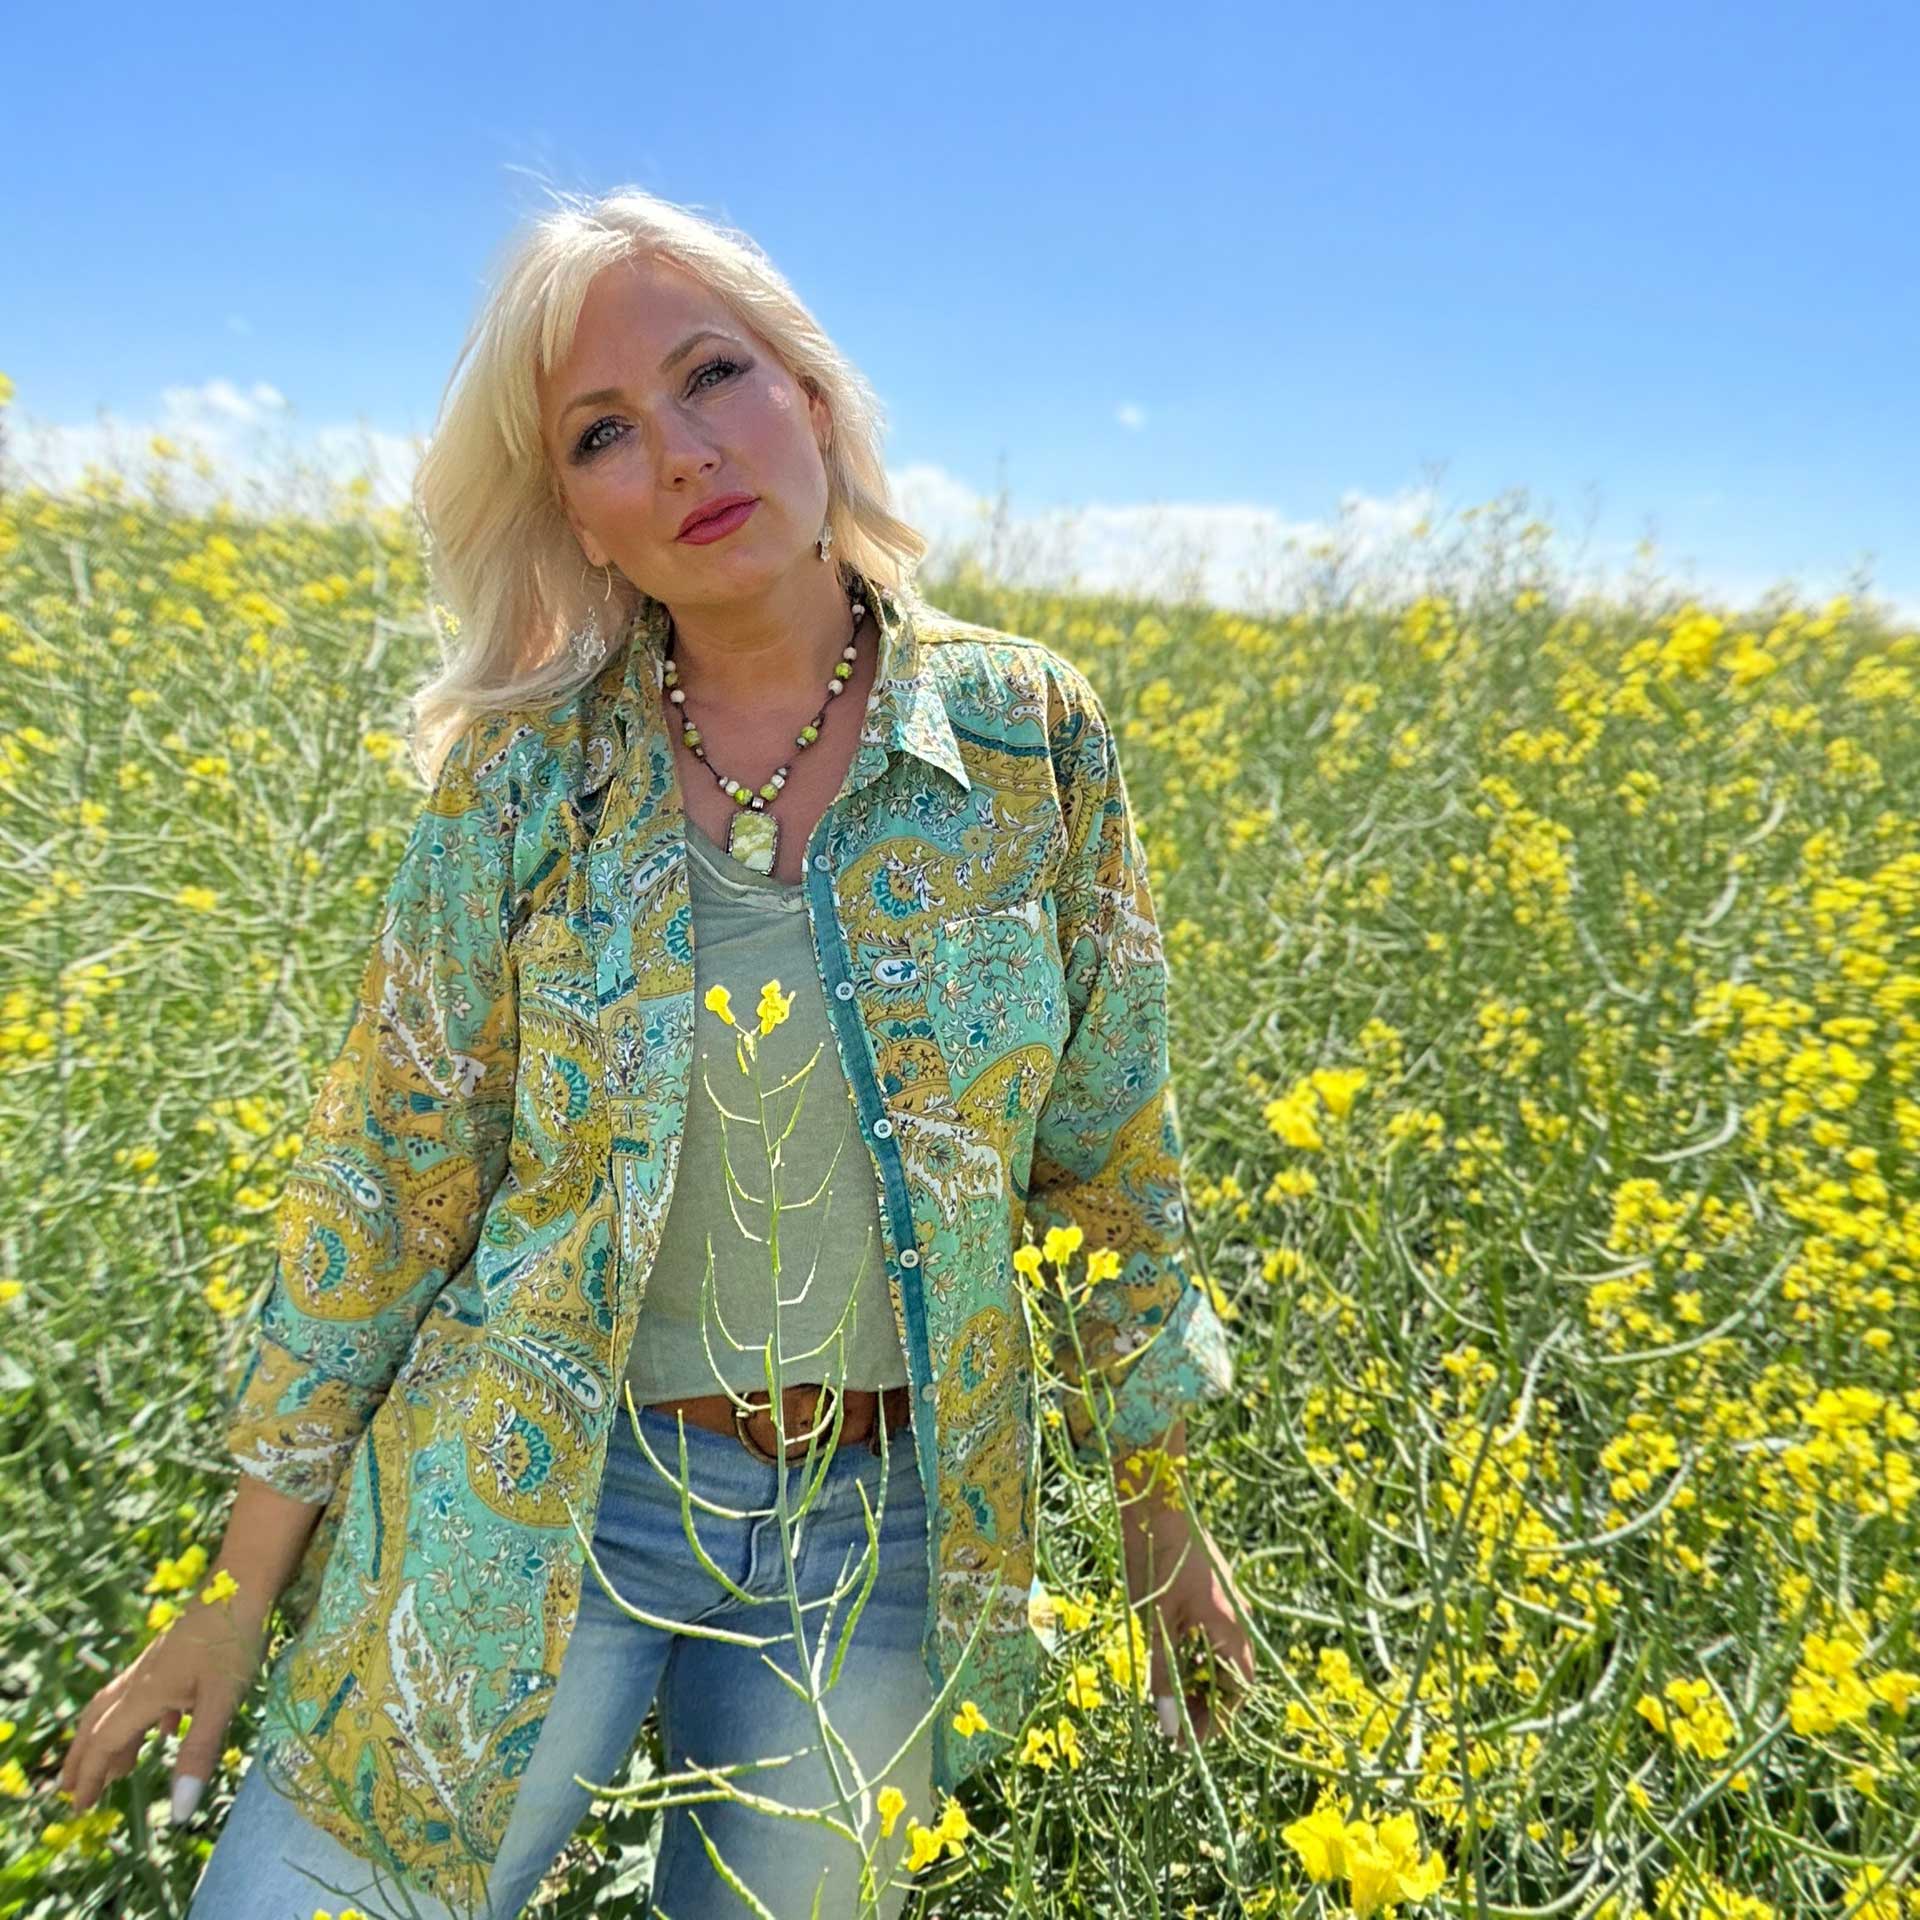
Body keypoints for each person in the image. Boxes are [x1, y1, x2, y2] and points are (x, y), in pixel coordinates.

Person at [55, 184, 1252, 1919]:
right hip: (535, 1497)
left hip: (885, 1540)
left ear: (814, 397)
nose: (684, 451)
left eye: (716, 375)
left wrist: (1162, 1516)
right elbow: (382, 1187)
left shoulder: (1026, 739)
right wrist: (232, 1607)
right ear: (582, 525)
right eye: (607, 433)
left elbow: (1108, 1156)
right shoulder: (524, 783)